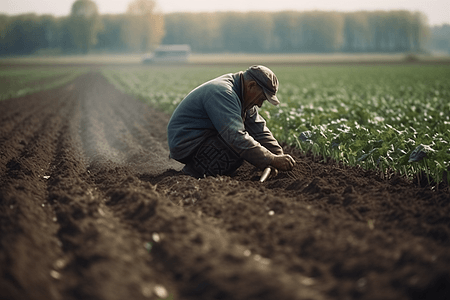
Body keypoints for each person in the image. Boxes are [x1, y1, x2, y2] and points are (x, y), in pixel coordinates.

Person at [167, 65, 296, 178]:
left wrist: (279, 156)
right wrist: (271, 159)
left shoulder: (243, 96)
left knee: (247, 143)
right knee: (235, 147)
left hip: (203, 138)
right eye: (262, 98)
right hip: (186, 142)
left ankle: (205, 166)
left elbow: (260, 131)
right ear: (251, 85)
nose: (260, 104)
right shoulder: (223, 93)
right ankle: (194, 171)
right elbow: (235, 136)